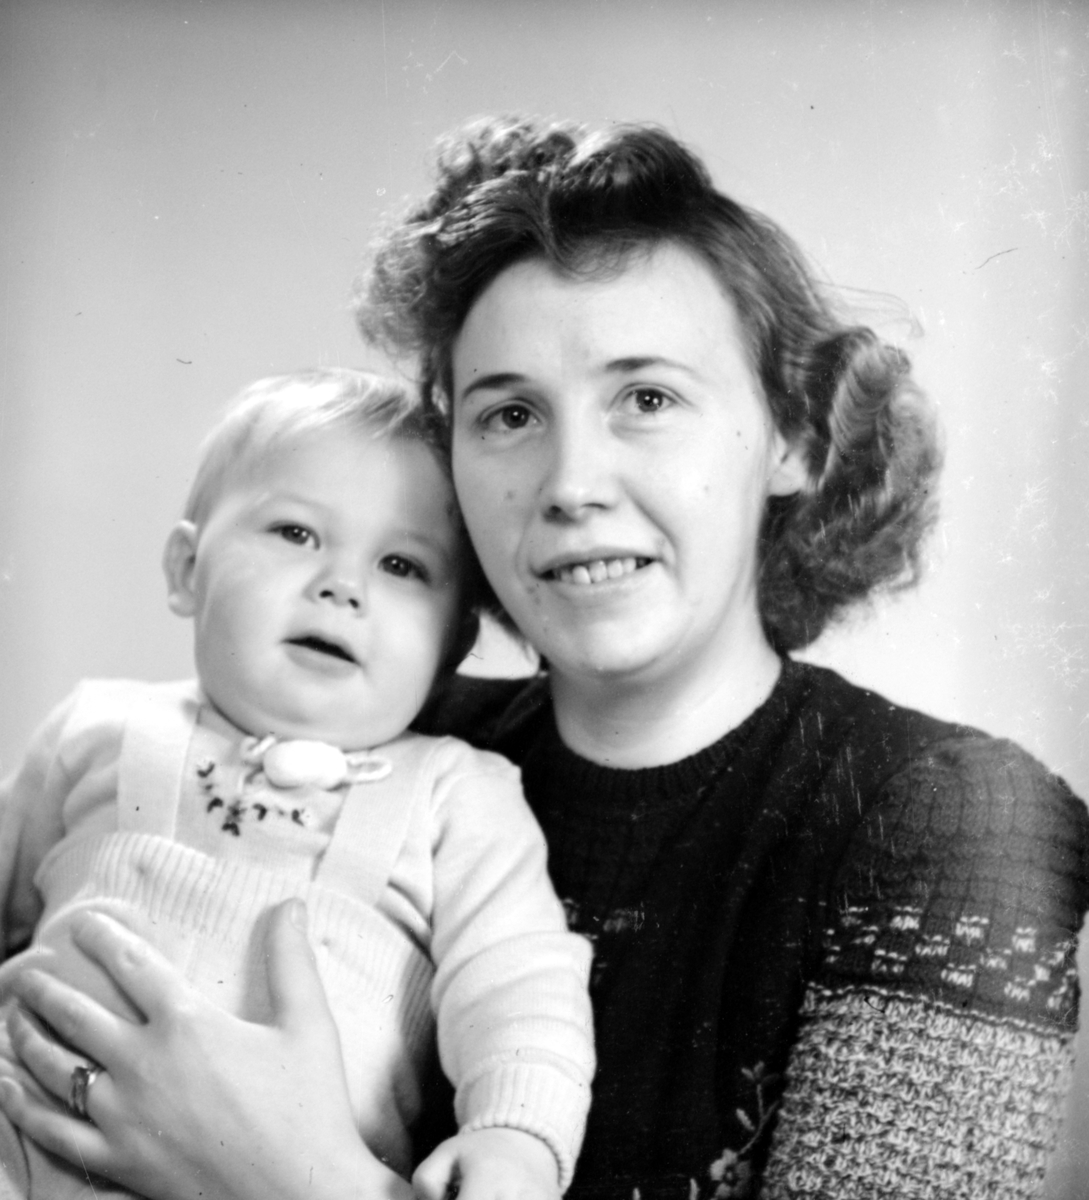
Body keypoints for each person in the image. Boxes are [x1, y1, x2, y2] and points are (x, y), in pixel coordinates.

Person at [0, 117, 1086, 1200]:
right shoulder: (379, 738)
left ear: (793, 440)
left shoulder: (957, 817)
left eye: (647, 399)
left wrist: (298, 1180)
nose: (570, 485)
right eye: (510, 414)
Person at [0, 369, 594, 1200]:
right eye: (295, 532)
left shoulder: (458, 796)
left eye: (401, 564)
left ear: (451, 648)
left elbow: (519, 983)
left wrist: (513, 1135)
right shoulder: (99, 728)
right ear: (187, 568)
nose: (341, 586)